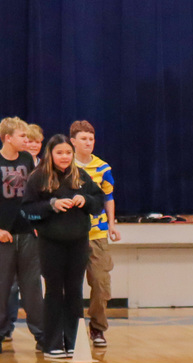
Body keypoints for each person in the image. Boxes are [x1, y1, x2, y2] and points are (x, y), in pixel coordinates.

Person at [22, 134, 105, 359]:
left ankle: (73, 342)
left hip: (78, 243)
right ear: (51, 154)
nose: (65, 157)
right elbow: (27, 210)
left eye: (68, 152)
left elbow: (98, 203)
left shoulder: (80, 175)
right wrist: (52, 204)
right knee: (54, 292)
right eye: (60, 153)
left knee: (75, 292)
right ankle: (52, 343)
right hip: (51, 244)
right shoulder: (38, 177)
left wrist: (85, 200)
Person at [70, 120, 120, 348]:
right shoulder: (65, 164)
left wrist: (111, 224)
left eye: (91, 139)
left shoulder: (103, 167)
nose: (88, 142)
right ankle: (68, 329)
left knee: (101, 283)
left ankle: (98, 328)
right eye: (83, 138)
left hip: (97, 235)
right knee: (68, 284)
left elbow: (108, 196)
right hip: (70, 234)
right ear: (73, 141)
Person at [0, 117, 44, 353]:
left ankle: (42, 335)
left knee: (32, 287)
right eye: (22, 136)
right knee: (2, 287)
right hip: (3, 236)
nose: (27, 141)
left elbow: (36, 194)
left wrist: (37, 220)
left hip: (27, 232)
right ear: (8, 138)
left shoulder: (28, 160)